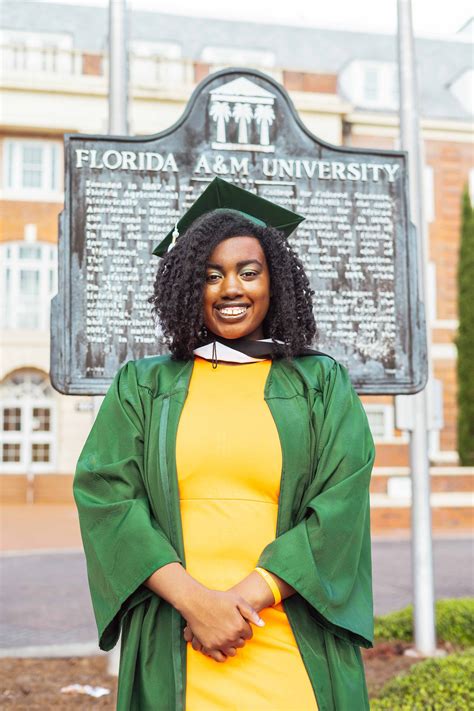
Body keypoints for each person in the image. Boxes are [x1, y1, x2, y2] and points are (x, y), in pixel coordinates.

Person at [74, 177, 376, 711]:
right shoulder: (144, 385)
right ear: (190, 287)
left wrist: (236, 604)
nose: (230, 288)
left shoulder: (319, 383)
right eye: (211, 275)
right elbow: (108, 500)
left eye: (248, 272)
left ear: (273, 282)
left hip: (287, 635)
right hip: (179, 638)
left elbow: (340, 506)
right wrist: (199, 607)